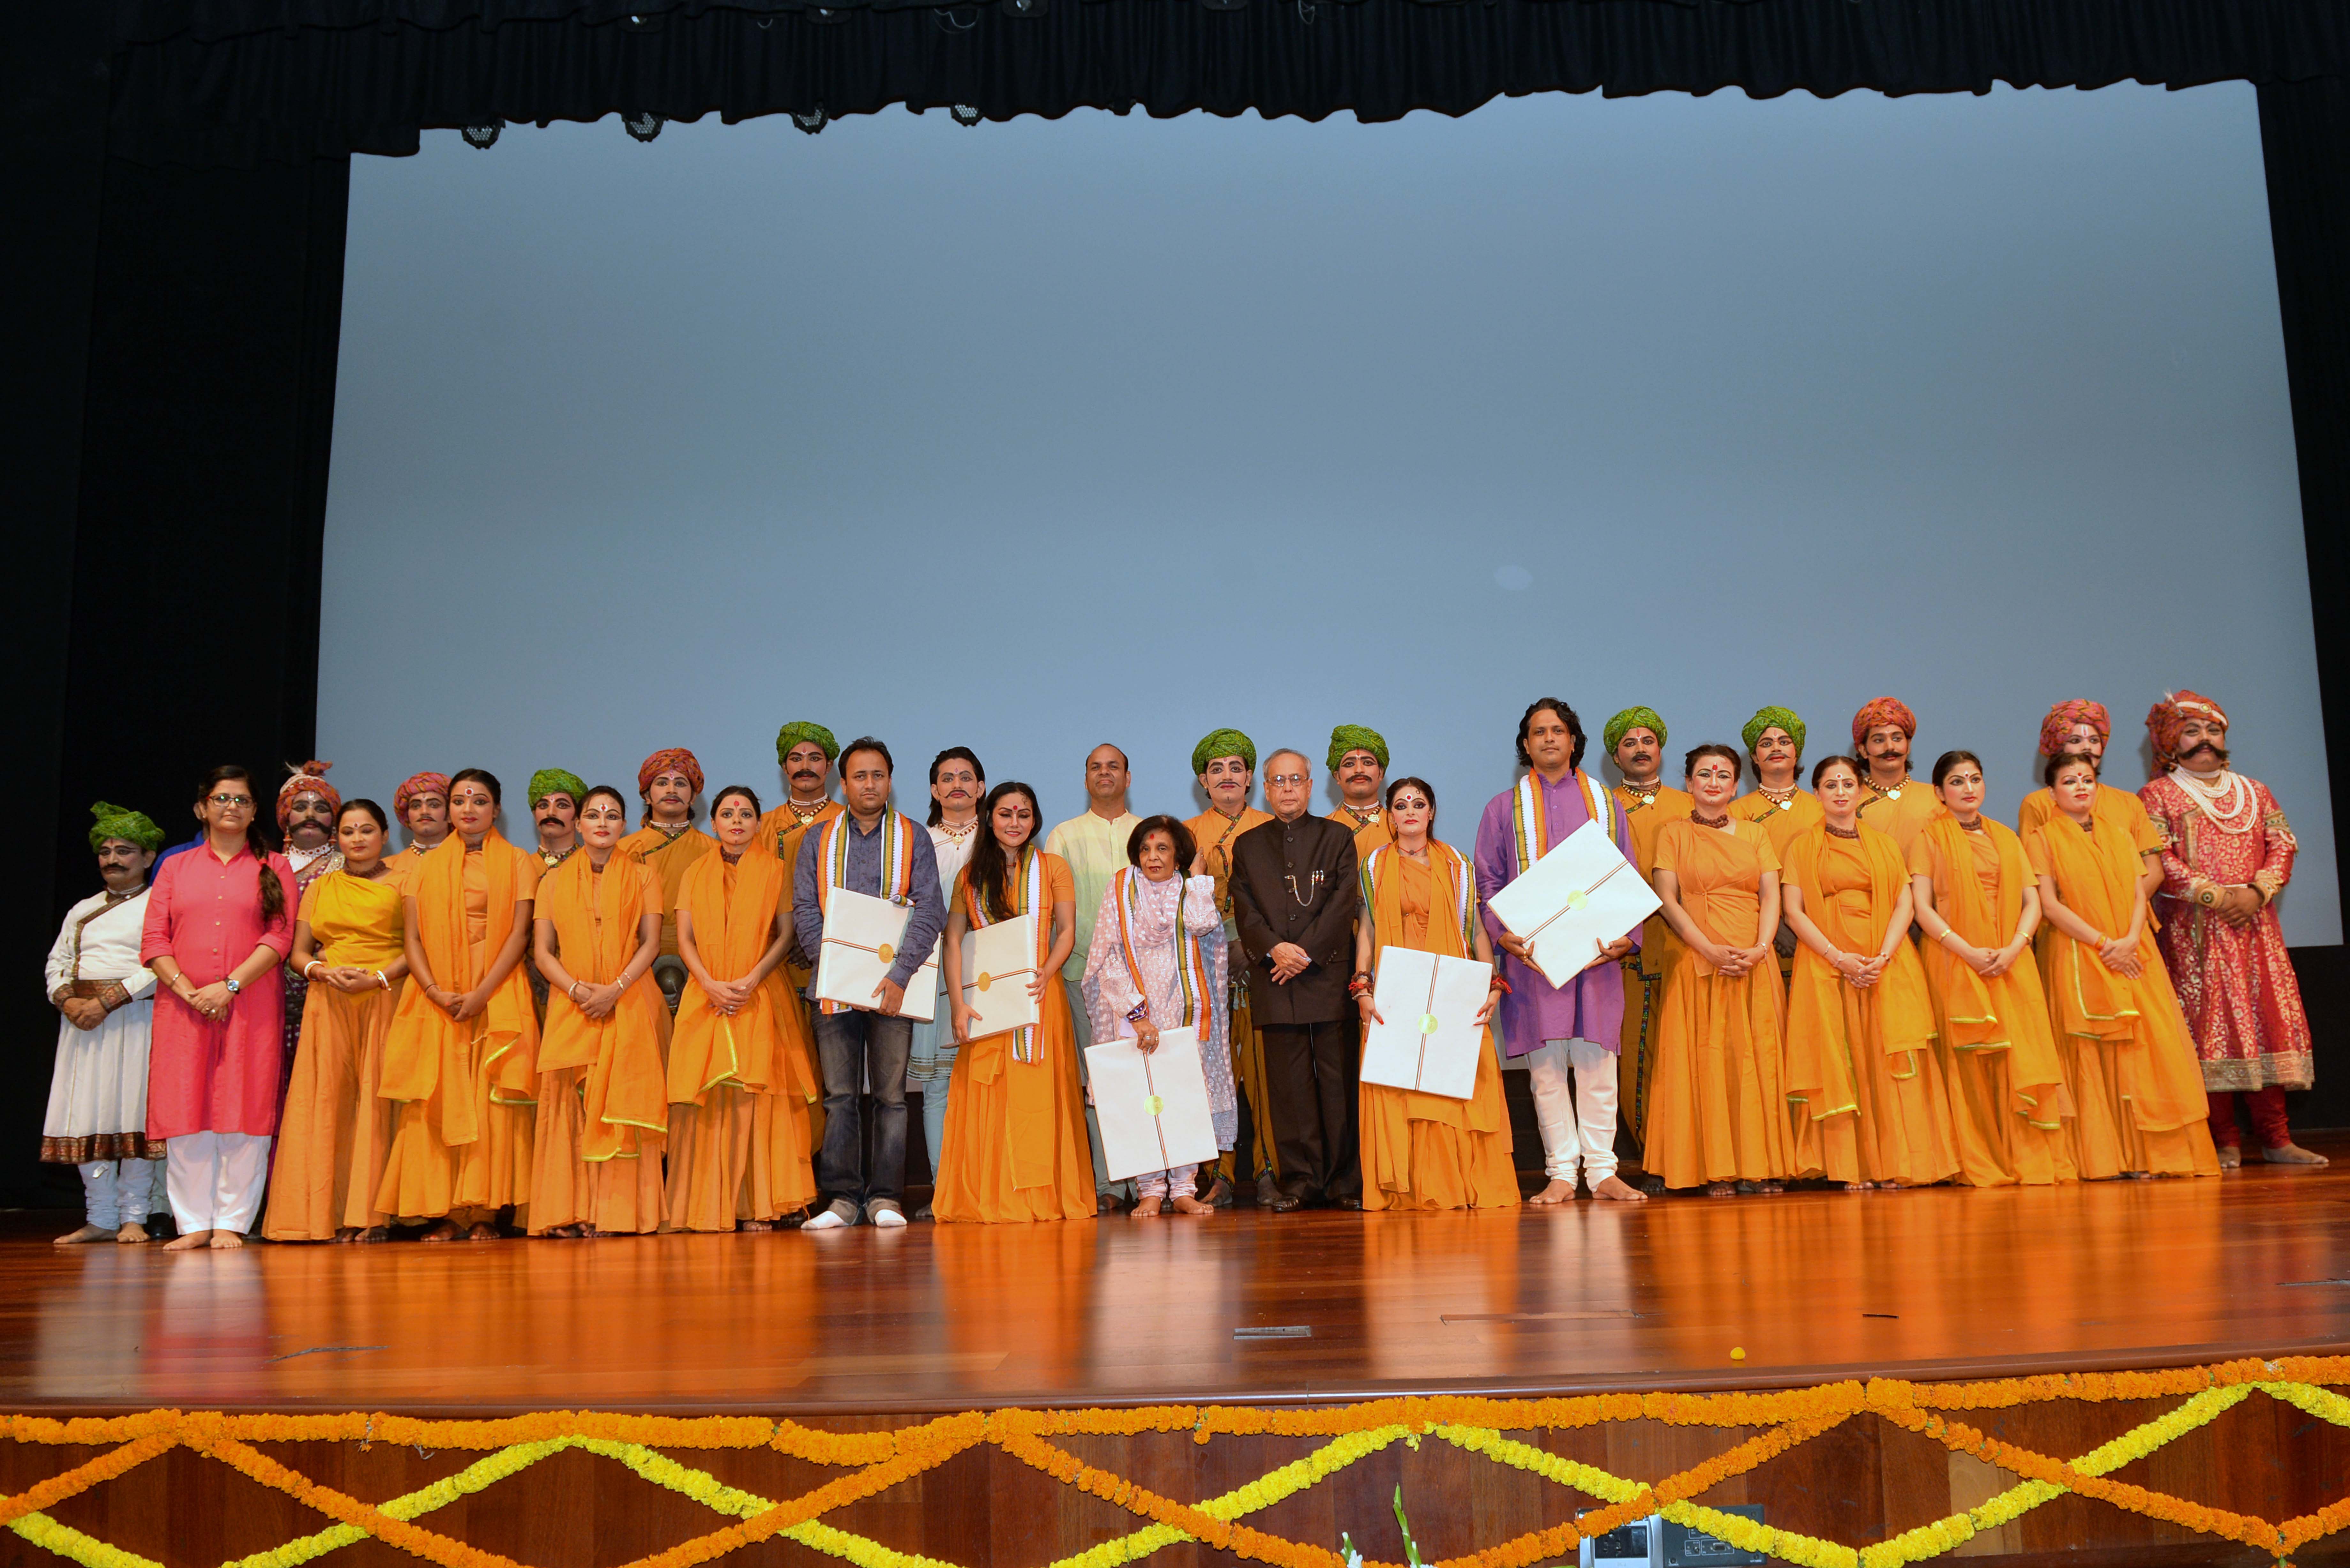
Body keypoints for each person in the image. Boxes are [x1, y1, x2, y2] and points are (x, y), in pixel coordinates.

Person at [2140, 691, 2324, 1168]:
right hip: (2195, 933)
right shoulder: (2157, 795)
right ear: (2169, 743)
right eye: (2192, 732)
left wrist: (2257, 893)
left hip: (2256, 928)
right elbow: (2159, 858)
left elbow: (2282, 844)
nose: (2205, 741)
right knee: (2208, 1034)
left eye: (2213, 731)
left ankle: (2277, 1139)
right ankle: (2223, 1141)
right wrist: (2217, 897)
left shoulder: (2255, 791)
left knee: (2268, 1027)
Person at [1473, 700, 1644, 1204]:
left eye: (1558, 730)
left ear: (1574, 740)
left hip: (1596, 957)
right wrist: (1500, 933)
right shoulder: (1502, 808)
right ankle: (1562, 1173)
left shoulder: (1606, 803)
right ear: (1525, 745)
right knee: (1546, 1069)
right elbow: (1488, 880)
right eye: (1538, 732)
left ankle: (1603, 1170)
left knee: (1596, 1064)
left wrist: (1627, 938)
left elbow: (1626, 874)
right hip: (1532, 958)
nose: (1549, 739)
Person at [2027, 750, 2222, 1180]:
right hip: (2079, 953)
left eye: (2087, 780)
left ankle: (2151, 1156)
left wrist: (2131, 940)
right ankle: (2105, 1158)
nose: (2080, 787)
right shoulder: (2041, 838)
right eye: (2069, 781)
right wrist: (2103, 943)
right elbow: (2048, 904)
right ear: (2052, 792)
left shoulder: (2118, 834)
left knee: (2148, 1049)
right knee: (2091, 1051)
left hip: (2134, 954)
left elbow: (2139, 894)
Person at [377, 768, 543, 1240]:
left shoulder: (517, 862)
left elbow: (518, 934)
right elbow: (411, 936)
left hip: (497, 986)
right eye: (460, 801)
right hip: (437, 992)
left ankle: (486, 1212)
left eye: (480, 801)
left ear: (497, 810)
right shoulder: (421, 867)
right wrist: (433, 991)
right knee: (438, 1097)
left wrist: (483, 992)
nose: (468, 809)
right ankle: (444, 1211)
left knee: (491, 1099)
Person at [1778, 757, 1958, 1190]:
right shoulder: (1801, 847)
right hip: (1826, 964)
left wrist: (1883, 955)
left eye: (1848, 784)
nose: (1840, 792)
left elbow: (1904, 902)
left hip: (1885, 964)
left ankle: (1897, 1161)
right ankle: (1851, 1165)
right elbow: (1793, 911)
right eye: (1830, 785)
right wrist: (1839, 958)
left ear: (1861, 791)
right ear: (1817, 794)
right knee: (1843, 1057)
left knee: (1888, 1060)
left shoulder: (1884, 845)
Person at [140, 766, 296, 1249]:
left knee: (244, 1108)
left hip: (250, 1005)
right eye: (222, 798)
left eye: (243, 800)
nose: (232, 807)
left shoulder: (276, 866)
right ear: (202, 808)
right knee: (186, 1110)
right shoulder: (174, 867)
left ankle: (231, 1221)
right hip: (182, 1007)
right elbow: (153, 940)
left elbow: (281, 936)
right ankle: (193, 1224)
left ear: (254, 812)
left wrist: (227, 987)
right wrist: (190, 991)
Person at [793, 737, 946, 1230]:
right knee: (839, 1096)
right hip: (835, 988)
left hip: (894, 990)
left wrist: (899, 975)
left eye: (878, 775)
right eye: (859, 776)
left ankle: (885, 1198)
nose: (869, 785)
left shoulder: (912, 837)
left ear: (890, 781)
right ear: (844, 783)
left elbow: (931, 910)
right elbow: (805, 912)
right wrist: (837, 968)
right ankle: (840, 1199)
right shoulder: (818, 839)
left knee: (891, 1097)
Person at [1908, 750, 2077, 1187]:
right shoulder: (1928, 839)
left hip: (2010, 960)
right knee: (1969, 1062)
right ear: (1940, 792)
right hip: (1953, 959)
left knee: (2018, 1057)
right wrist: (1966, 951)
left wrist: (2015, 948)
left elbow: (2032, 901)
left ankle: (2024, 1156)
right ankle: (1979, 1156)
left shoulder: (2006, 836)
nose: (1968, 788)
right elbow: (1922, 908)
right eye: (1958, 781)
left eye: (1975, 779)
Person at [1350, 778, 1517, 1210]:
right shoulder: (1373, 866)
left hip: (1453, 993)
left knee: (1456, 1082)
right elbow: (1366, 929)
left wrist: (1493, 982)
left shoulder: (1457, 865)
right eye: (1401, 804)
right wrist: (1362, 986)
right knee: (1402, 1085)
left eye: (1418, 803)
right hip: (1396, 992)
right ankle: (1409, 1188)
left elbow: (1477, 929)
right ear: (1390, 815)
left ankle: (1459, 1186)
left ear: (1431, 813)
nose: (1410, 811)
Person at [936, 782, 1092, 1222]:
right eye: (1006, 814)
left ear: (1034, 821)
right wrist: (958, 1005)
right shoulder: (970, 876)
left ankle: (1041, 1196)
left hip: (1040, 997)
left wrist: (1048, 971)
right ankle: (993, 1193)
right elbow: (953, 940)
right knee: (994, 1096)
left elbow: (1066, 932)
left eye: (1024, 815)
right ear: (990, 818)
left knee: (1038, 1095)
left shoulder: (1054, 868)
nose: (1015, 823)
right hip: (986, 1002)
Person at [1643, 745, 1793, 1197]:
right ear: (1688, 783)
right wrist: (1707, 948)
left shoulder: (1755, 834)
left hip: (1753, 960)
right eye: (1704, 774)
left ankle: (1760, 1166)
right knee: (1706, 1060)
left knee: (1757, 1061)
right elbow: (1667, 899)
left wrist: (1762, 948)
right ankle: (1713, 1168)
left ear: (1735, 785)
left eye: (1723, 775)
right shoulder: (1673, 834)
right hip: (1699, 957)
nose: (1713, 782)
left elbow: (1771, 896)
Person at [262, 799, 408, 1242]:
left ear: (385, 835)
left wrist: (379, 978)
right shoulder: (323, 887)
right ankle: (330, 1213)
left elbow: (423, 946)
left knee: (379, 1104)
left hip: (387, 995)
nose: (358, 839)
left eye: (367, 830)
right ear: (336, 838)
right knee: (328, 1105)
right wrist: (321, 972)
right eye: (348, 832)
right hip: (330, 998)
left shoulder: (409, 881)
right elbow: (298, 953)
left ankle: (376, 1215)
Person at [675, 784, 820, 1230]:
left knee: (763, 1098)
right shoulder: (694, 873)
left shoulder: (776, 870)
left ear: (759, 823)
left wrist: (752, 979)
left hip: (761, 992)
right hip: (707, 994)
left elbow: (785, 934)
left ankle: (762, 1204)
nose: (736, 821)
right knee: (714, 1099)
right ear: (713, 822)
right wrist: (709, 984)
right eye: (727, 813)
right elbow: (685, 939)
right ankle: (710, 1206)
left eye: (745, 814)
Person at [530, 784, 669, 1237]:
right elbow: (543, 952)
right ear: (579, 824)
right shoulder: (551, 881)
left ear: (625, 825)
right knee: (573, 1106)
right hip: (573, 1004)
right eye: (594, 814)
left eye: (612, 815)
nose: (603, 822)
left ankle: (622, 1213)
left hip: (629, 1000)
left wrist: (615, 989)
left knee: (621, 1106)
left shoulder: (645, 877)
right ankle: (571, 1211)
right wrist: (576, 990)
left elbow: (650, 943)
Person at [1080, 815, 1237, 1217]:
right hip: (1133, 1011)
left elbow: (1204, 925)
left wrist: (1200, 879)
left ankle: (1184, 1188)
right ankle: (1150, 1188)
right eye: (1146, 849)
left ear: (1178, 855)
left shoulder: (1189, 889)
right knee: (1140, 1100)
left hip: (1185, 1009)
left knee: (1184, 1097)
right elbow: (1107, 956)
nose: (1153, 857)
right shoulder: (1120, 889)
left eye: (1163, 849)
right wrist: (1138, 1015)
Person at [1230, 748, 1362, 1210]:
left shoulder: (1338, 837)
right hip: (1275, 978)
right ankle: (1301, 1181)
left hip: (1325, 976)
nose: (1287, 789)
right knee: (1289, 1089)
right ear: (1264, 789)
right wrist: (1275, 951)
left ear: (1311, 786)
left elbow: (1344, 900)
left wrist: (1302, 953)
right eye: (1277, 781)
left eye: (1296, 780)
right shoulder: (1247, 847)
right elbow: (1245, 910)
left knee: (1337, 1082)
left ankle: (1345, 1182)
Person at [44, 802, 165, 1245]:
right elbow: (58, 962)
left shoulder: (159, 905)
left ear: (148, 858)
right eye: (107, 851)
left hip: (136, 1019)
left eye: (125, 851)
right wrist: (69, 1001)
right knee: (87, 1116)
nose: (113, 859)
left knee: (132, 1116)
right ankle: (101, 1216)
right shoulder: (82, 909)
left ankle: (134, 1215)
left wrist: (109, 1001)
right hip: (82, 1026)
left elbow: (163, 965)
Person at [1041, 743, 1144, 1213]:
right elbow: (1051, 912)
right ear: (1085, 779)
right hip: (1083, 974)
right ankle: (1108, 1182)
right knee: (1096, 1084)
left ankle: (1151, 1183)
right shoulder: (1063, 835)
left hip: (1145, 980)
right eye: (1095, 768)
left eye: (1113, 767)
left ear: (1128, 777)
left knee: (1146, 1078)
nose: (1105, 774)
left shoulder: (1147, 834)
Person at [1185, 729, 1279, 1205]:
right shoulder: (1183, 834)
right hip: (1204, 972)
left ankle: (1268, 1170)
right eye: (1216, 769)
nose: (1227, 776)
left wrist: (1249, 946)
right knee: (1214, 1071)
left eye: (1236, 768)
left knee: (1265, 1070)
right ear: (1204, 780)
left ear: (1250, 779)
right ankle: (1216, 1174)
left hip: (1263, 967)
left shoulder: (1273, 826)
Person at [1604, 706, 1690, 1159]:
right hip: (1630, 953)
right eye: (1629, 743)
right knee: (1638, 1061)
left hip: (1688, 948)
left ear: (1661, 748)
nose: (1640, 749)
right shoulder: (1603, 807)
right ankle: (1655, 1156)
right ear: (1616, 757)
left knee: (1687, 1052)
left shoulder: (1691, 803)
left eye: (1648, 740)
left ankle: (1694, 1152)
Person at [910, 748, 986, 1207]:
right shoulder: (916, 842)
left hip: (989, 973)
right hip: (930, 972)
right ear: (935, 790)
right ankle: (944, 1192)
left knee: (983, 1081)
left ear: (980, 787)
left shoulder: (1001, 837)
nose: (957, 784)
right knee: (937, 1083)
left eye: (966, 777)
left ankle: (985, 1187)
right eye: (947, 778)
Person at [618, 749, 716, 1013]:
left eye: (681, 783)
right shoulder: (623, 851)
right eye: (662, 783)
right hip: (633, 963)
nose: (671, 789)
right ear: (646, 796)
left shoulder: (714, 851)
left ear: (694, 796)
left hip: (705, 964)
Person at [274, 763, 345, 1083]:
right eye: (300, 807)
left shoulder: (347, 867)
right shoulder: (265, 866)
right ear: (285, 817)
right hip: (266, 990)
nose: (310, 815)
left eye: (321, 808)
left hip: (327, 987)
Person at [2017, 701, 2159, 841]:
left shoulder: (2129, 802)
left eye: (2094, 741)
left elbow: (2150, 862)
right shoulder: (2036, 803)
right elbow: (2034, 859)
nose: (2087, 747)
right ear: (2059, 748)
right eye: (2076, 741)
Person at [1732, 708, 1825, 860]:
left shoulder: (1821, 808)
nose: (1776, 748)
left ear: (1797, 753)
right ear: (1755, 757)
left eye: (1784, 742)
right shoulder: (1736, 812)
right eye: (1767, 744)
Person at [1851, 698, 1937, 854]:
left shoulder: (1936, 798)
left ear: (1908, 746)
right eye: (1879, 740)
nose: (1890, 747)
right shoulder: (1848, 801)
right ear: (1864, 751)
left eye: (1897, 739)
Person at [1327, 726, 1394, 854]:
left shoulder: (1399, 827)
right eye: (1349, 764)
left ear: (1381, 773)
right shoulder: (1322, 830)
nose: (1359, 770)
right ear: (1337, 776)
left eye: (1368, 763)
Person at [384, 772, 451, 876]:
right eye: (416, 806)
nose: (424, 811)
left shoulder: (471, 862)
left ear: (450, 815)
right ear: (408, 816)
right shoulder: (387, 868)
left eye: (434, 805)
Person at [528, 769, 586, 870]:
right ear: (534, 815)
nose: (551, 813)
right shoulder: (522, 867)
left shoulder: (587, 866)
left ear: (578, 817)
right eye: (543, 806)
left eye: (562, 806)